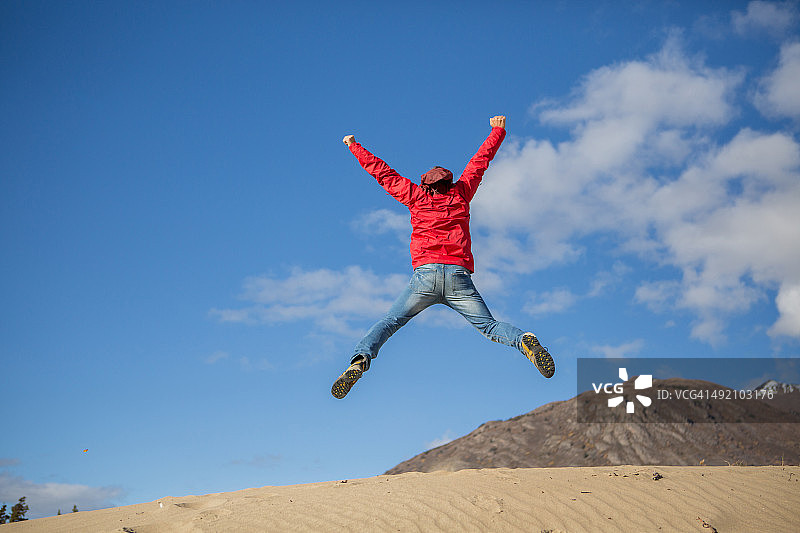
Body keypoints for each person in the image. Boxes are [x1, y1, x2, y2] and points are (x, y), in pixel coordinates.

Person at [332, 116, 554, 399]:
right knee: (490, 326)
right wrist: (498, 130)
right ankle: (524, 340)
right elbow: (479, 162)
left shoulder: (415, 196)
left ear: (425, 184)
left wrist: (354, 146)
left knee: (390, 322)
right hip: (459, 276)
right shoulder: (461, 194)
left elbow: (383, 174)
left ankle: (360, 360)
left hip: (425, 277)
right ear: (450, 182)